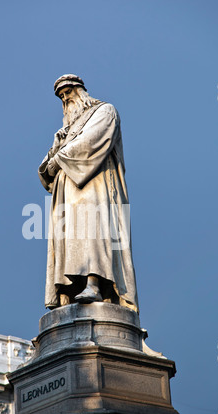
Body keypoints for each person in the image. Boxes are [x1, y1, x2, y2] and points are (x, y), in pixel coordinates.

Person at [38, 74, 139, 313]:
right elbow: (46, 167)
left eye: (68, 93)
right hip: (66, 193)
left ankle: (95, 284)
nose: (65, 99)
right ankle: (70, 291)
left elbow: (91, 143)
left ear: (80, 91)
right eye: (62, 97)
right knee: (69, 239)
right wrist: (55, 153)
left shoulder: (105, 112)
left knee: (94, 231)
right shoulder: (64, 131)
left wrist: (59, 159)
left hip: (95, 186)